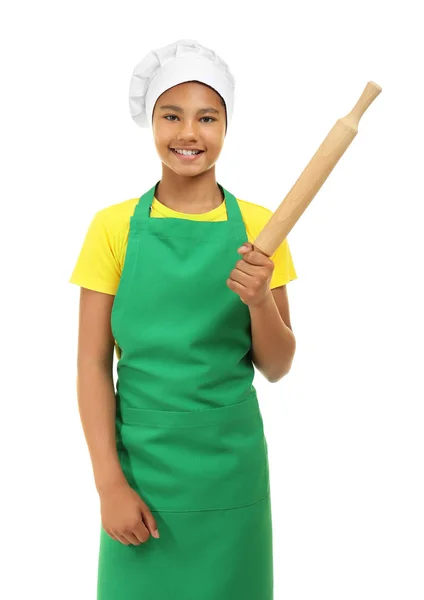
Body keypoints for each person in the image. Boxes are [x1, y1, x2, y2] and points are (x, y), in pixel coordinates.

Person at [69, 38, 298, 600]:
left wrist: (260, 300)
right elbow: (93, 364)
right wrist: (108, 484)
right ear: (151, 121)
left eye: (207, 117)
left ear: (227, 125)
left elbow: (278, 365)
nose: (189, 133)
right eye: (171, 115)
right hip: (141, 468)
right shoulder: (113, 228)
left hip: (230, 467)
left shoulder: (263, 228)